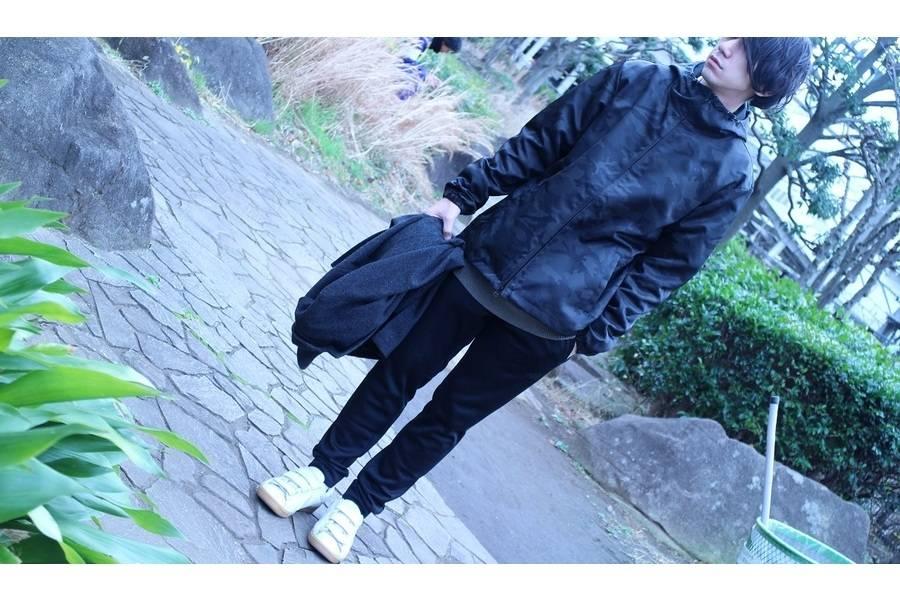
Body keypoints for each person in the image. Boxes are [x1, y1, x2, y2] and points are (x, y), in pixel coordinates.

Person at [257, 37, 813, 563]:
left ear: (764, 84)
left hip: (555, 319)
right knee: (399, 371)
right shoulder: (635, 79)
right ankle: (321, 473)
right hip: (489, 257)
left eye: (746, 49)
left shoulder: (731, 170)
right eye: (734, 34)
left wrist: (594, 332)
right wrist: (463, 196)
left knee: (448, 417)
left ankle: (359, 505)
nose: (725, 46)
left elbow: (669, 266)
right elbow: (541, 141)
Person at [397, 36, 463, 100]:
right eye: (447, 50)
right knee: (418, 80)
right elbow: (405, 60)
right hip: (393, 63)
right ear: (444, 42)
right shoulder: (423, 41)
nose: (445, 53)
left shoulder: (426, 41)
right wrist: (426, 76)